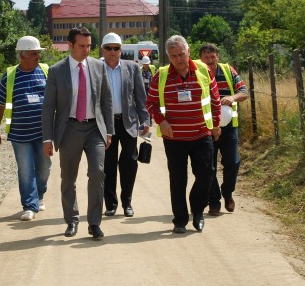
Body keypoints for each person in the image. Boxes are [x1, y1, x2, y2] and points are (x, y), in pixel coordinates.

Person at [41, 26, 114, 240]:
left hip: (95, 129)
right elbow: (48, 106)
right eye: (82, 46)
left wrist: (109, 131)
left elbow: (106, 101)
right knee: (68, 178)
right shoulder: (57, 70)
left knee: (97, 172)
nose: (86, 50)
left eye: (89, 46)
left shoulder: (98, 67)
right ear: (70, 45)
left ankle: (94, 223)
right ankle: (72, 220)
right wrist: (47, 138)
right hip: (70, 128)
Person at [146, 35, 221, 233]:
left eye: (182, 54)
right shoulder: (161, 76)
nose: (179, 59)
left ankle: (197, 210)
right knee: (178, 180)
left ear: (188, 51)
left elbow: (215, 100)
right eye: (174, 56)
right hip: (175, 138)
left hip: (201, 134)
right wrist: (161, 121)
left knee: (206, 174)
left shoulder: (204, 71)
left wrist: (216, 125)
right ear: (168, 57)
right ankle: (180, 219)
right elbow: (151, 103)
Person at [0, 36, 52, 221]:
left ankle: (39, 194)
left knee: (44, 168)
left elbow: (55, 100)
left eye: (38, 53)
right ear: (22, 55)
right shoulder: (9, 76)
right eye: (34, 54)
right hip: (19, 134)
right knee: (25, 170)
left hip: (43, 133)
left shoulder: (45, 71)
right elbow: (0, 105)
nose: (38, 57)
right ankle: (29, 206)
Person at [100, 32, 150, 218]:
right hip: (105, 125)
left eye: (116, 48)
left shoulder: (132, 68)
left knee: (129, 162)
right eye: (108, 48)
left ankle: (127, 202)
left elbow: (140, 97)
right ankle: (111, 204)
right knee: (108, 164)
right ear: (102, 50)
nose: (112, 52)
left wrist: (145, 119)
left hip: (128, 122)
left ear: (121, 50)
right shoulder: (96, 68)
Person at [199, 43, 248, 216]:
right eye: (206, 57)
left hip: (229, 128)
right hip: (206, 128)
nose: (210, 60)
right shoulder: (197, 73)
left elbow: (244, 91)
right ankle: (214, 201)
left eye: (213, 57)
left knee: (232, 162)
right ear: (201, 59)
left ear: (218, 57)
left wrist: (232, 97)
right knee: (208, 166)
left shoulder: (228, 71)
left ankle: (227, 192)